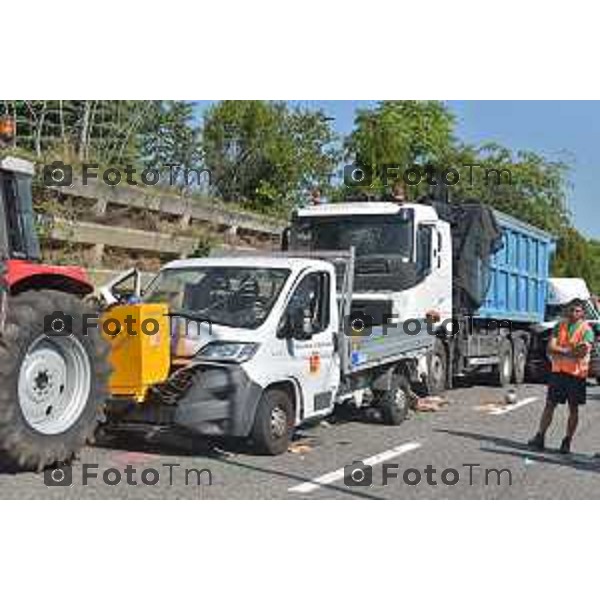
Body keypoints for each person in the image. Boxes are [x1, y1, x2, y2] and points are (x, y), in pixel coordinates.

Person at [528, 297, 594, 454]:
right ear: (566, 310)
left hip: (576, 375)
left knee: (573, 409)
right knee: (549, 405)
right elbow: (551, 347)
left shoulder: (587, 330)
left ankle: (567, 441)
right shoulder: (560, 325)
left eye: (577, 310)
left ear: (582, 313)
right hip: (558, 372)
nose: (573, 313)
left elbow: (582, 351)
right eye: (571, 309)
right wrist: (570, 352)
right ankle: (540, 436)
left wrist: (561, 350)